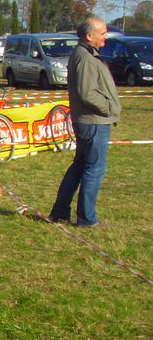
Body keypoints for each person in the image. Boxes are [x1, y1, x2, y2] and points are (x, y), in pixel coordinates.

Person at [49, 17, 122, 227]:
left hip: (89, 120)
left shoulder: (87, 54)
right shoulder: (85, 57)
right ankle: (86, 218)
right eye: (102, 33)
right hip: (93, 122)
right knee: (94, 169)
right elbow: (87, 94)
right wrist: (110, 108)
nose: (106, 37)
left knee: (80, 166)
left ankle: (60, 212)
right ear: (89, 36)